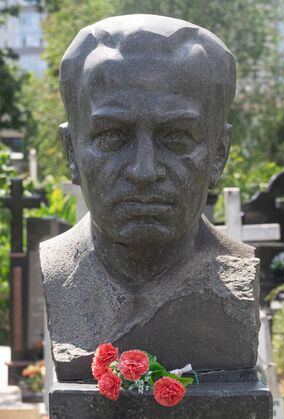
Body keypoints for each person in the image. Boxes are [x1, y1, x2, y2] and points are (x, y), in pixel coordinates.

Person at [40, 15, 260, 381]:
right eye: (113, 137)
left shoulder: (237, 277)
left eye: (176, 138)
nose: (144, 171)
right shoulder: (60, 272)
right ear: (71, 152)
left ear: (219, 153)